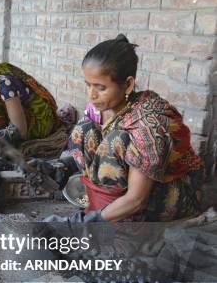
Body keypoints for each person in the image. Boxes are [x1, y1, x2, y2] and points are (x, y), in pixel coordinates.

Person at [33, 35, 204, 223]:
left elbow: (136, 199)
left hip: (168, 196)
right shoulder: (102, 109)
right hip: (126, 195)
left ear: (128, 84)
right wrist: (60, 168)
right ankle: (105, 209)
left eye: (100, 87)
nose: (92, 95)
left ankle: (115, 221)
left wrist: (84, 223)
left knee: (116, 142)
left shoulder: (148, 127)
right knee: (83, 130)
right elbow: (90, 152)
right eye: (88, 85)